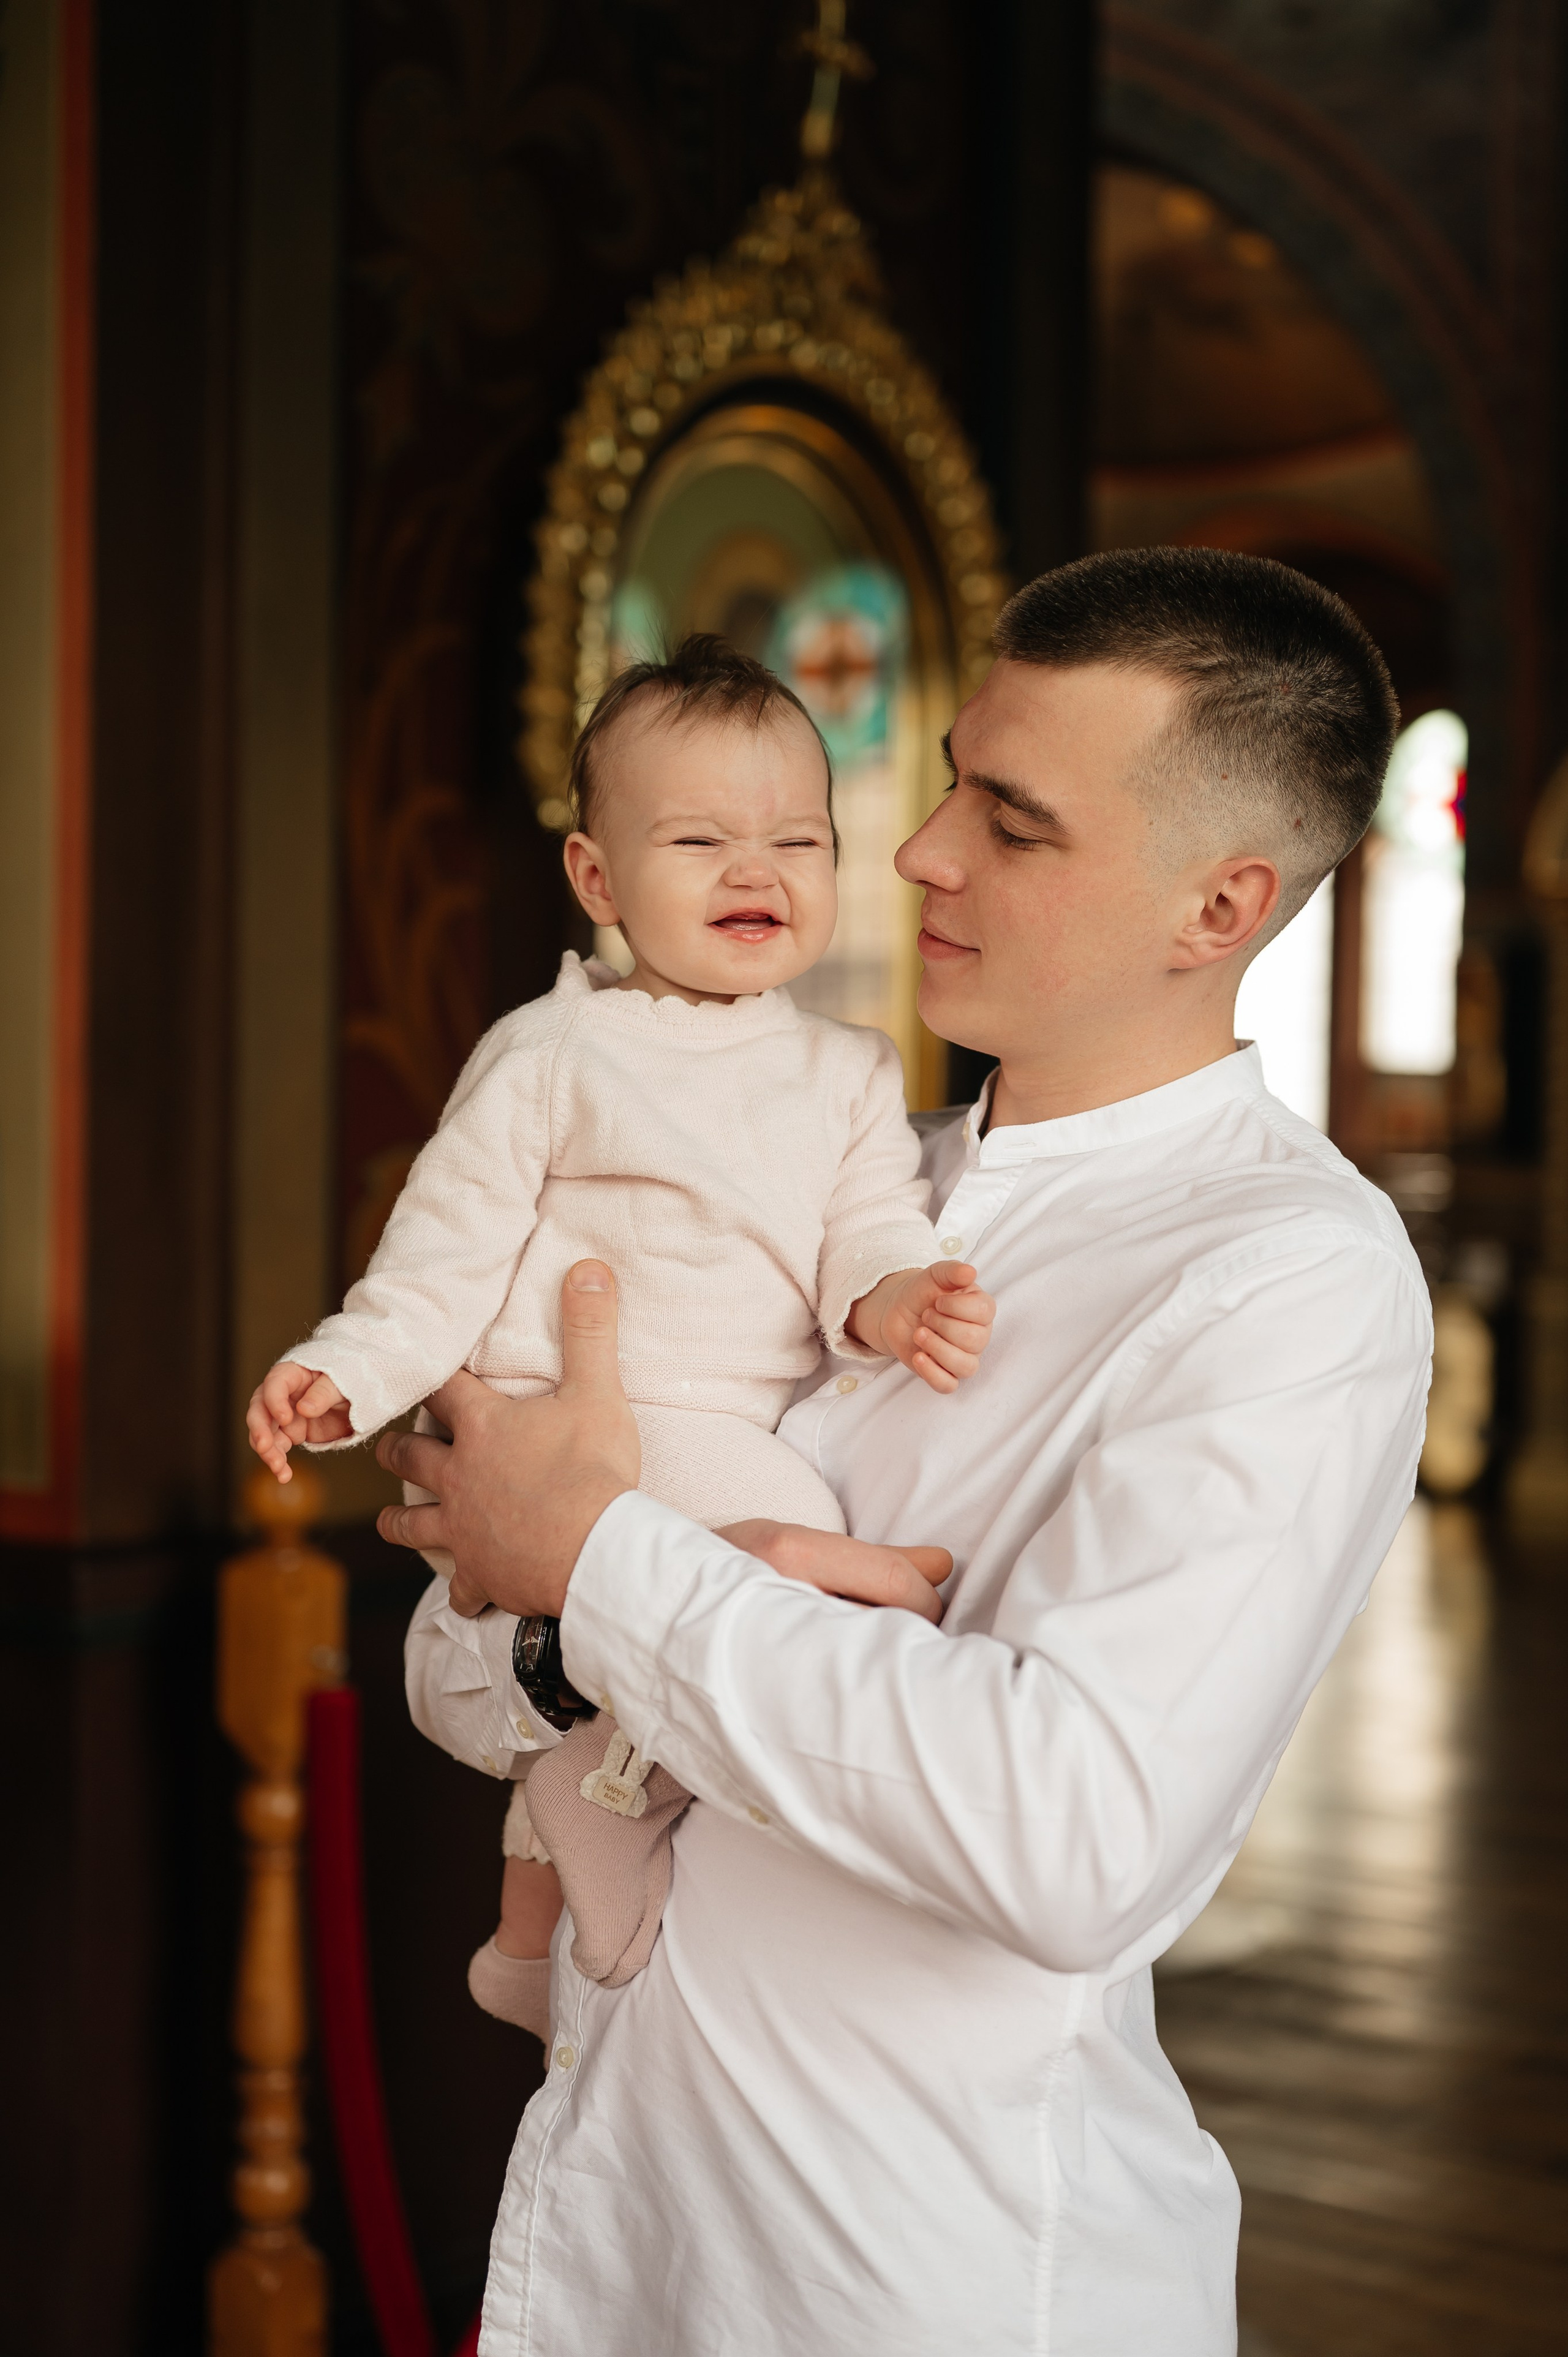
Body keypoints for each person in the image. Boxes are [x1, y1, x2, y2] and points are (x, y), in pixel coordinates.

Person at [380, 549, 1433, 2357]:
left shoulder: (1288, 1283)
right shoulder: (841, 1175)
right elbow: (460, 1659)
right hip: (617, 2223)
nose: (921, 847)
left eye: (1012, 824)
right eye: (949, 778)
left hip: (916, 2272)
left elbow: (1071, 1837)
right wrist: (575, 1613)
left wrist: (623, 1568)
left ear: (1219, 903)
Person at [244, 635, 994, 2024]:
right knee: (783, 1581)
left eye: (796, 838)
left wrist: (892, 1298)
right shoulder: (552, 1052)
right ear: (596, 877)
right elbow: (441, 1250)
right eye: (700, 839)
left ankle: (532, 1941)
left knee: (707, 1606)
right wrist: (346, 1369)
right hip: (558, 1413)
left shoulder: (848, 1072)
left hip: (728, 1428)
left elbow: (869, 1226)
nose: (755, 870)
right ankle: (562, 1883)